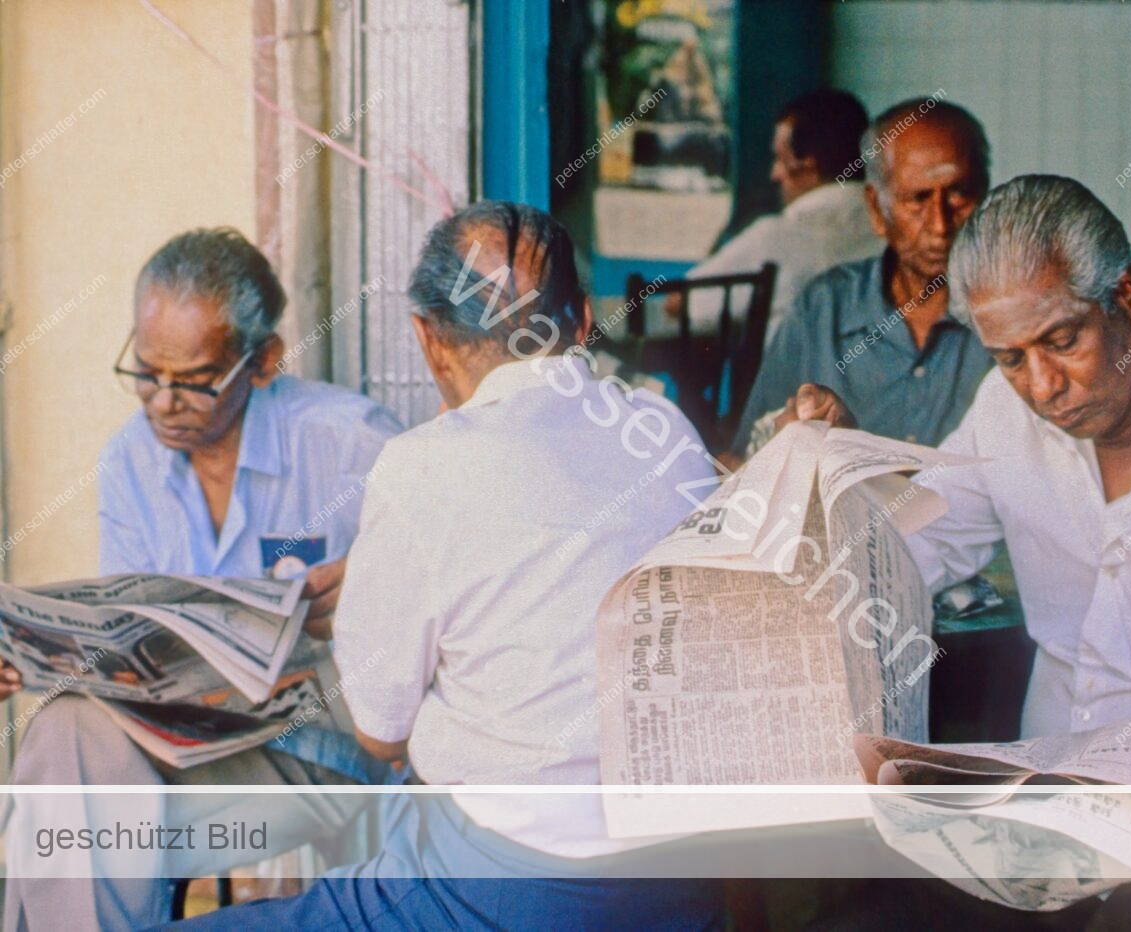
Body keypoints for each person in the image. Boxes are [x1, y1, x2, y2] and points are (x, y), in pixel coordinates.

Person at [783, 175, 1131, 929]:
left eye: (1062, 342)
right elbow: (909, 552)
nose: (1043, 387)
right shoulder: (1005, 413)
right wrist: (842, 474)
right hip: (1048, 828)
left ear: (1126, 299)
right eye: (1009, 358)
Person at [167, 202, 724, 930]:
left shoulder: (421, 468)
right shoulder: (668, 432)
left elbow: (381, 735)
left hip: (504, 887)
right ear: (585, 321)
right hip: (678, 883)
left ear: (428, 339)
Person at [1, 228, 402, 932]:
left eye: (192, 380)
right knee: (63, 740)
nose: (162, 401)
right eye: (146, 372)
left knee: (64, 826)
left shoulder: (352, 443)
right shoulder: (130, 460)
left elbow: (444, 607)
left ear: (264, 361)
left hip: (320, 760)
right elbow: (124, 643)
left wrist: (369, 590)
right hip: (188, 754)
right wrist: (33, 659)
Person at [733, 98, 994, 456]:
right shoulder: (822, 309)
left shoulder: (1013, 315)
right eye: (918, 199)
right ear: (876, 209)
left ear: (985, 196)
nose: (939, 225)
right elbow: (746, 453)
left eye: (959, 194)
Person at [668, 89, 883, 344]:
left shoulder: (774, 236)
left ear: (808, 165)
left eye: (780, 160)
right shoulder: (895, 229)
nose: (774, 175)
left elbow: (680, 301)